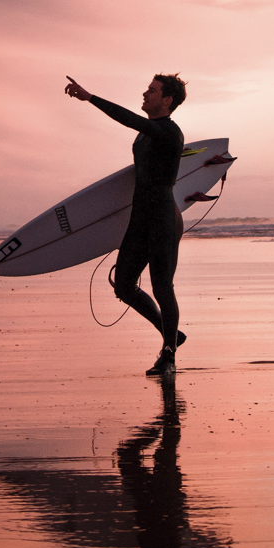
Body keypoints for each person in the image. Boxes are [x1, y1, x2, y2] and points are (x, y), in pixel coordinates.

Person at [64, 74, 187, 376]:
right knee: (123, 284)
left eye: (152, 91)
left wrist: (90, 97)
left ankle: (168, 354)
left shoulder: (168, 132)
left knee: (162, 287)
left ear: (167, 100)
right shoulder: (145, 136)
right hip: (140, 217)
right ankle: (171, 332)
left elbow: (131, 120)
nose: (145, 94)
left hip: (162, 219)